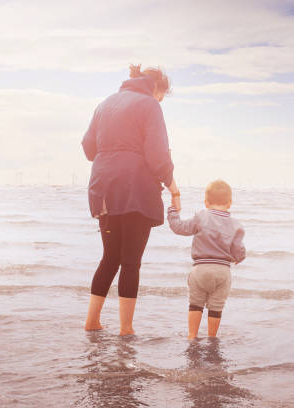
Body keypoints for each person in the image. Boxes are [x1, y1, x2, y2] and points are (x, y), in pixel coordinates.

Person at [81, 64, 181, 336]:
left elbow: (88, 147)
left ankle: (92, 321)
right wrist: (173, 188)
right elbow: (157, 155)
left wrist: (112, 151)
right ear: (157, 88)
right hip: (135, 189)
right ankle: (126, 328)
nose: (161, 100)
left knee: (110, 257)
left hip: (103, 188)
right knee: (131, 262)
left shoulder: (105, 104)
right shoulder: (149, 105)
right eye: (162, 95)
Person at [167, 180, 245, 339]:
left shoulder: (201, 216)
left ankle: (192, 336)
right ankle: (211, 337)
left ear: (206, 202)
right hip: (223, 272)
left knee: (195, 304)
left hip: (200, 269)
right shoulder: (236, 224)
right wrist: (239, 258)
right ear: (229, 203)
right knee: (216, 307)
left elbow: (179, 228)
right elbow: (238, 249)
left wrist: (172, 212)